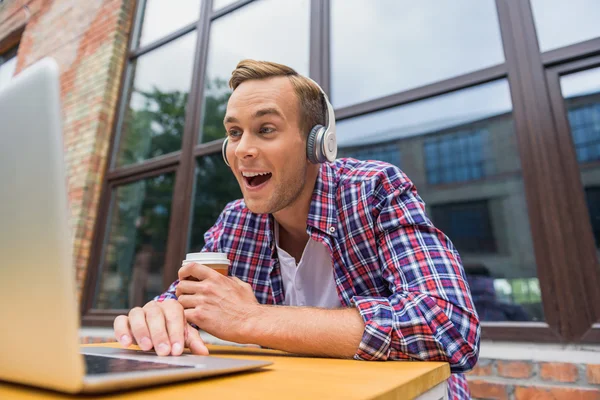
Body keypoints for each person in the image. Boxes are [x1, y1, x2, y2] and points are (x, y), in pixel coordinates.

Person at [114, 60, 480, 399]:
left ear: (317, 144)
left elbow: (449, 327)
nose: (242, 149)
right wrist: (162, 316)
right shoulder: (235, 221)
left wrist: (253, 319)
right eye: (234, 133)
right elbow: (189, 298)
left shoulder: (375, 190)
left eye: (266, 129)